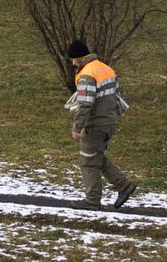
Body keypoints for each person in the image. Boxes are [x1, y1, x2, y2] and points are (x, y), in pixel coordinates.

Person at [67, 39, 136, 210]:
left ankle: (92, 201)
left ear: (77, 58)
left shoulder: (87, 74)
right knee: (96, 156)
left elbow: (85, 104)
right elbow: (117, 95)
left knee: (88, 161)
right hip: (108, 121)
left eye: (72, 59)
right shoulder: (106, 69)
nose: (71, 62)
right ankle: (123, 186)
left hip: (95, 124)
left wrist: (77, 127)